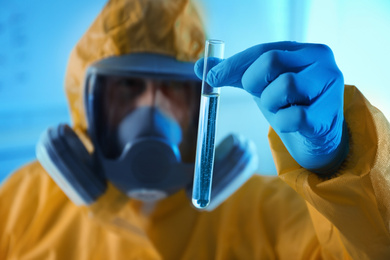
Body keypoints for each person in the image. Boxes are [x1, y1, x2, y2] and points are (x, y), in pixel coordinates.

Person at [1, 0, 389, 259]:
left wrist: (339, 164)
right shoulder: (22, 204)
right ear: (88, 104)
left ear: (200, 103)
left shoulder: (265, 211)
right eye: (127, 87)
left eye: (173, 88)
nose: (151, 109)